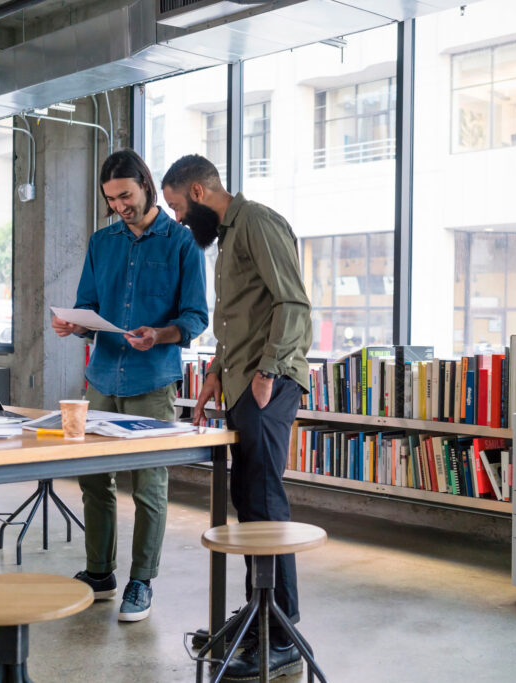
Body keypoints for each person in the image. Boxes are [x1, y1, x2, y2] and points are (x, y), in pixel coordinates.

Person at [161, 154, 313, 680]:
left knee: (265, 500)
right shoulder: (228, 238)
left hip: (269, 383)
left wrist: (268, 371)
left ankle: (283, 629)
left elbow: (292, 304)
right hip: (242, 380)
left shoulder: (259, 222)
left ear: (199, 192)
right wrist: (214, 376)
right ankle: (259, 614)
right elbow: (237, 321)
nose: (178, 218)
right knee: (248, 499)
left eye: (178, 206)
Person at [52, 149, 208, 622]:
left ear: (146, 185)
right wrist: (74, 325)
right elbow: (87, 304)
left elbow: (196, 317)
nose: (120, 205)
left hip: (151, 381)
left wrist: (159, 334)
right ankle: (100, 572)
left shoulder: (182, 243)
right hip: (101, 378)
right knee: (95, 482)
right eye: (111, 199)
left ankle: (142, 580)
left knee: (148, 486)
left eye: (126, 195)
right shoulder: (102, 243)